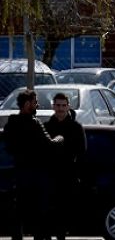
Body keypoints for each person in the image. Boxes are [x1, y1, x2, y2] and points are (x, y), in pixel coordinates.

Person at [4, 90, 64, 240]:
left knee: (19, 211)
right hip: (36, 174)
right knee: (40, 211)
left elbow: (8, 147)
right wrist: (59, 138)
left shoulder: (11, 123)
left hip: (19, 172)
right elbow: (50, 144)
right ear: (27, 104)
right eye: (34, 102)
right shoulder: (34, 123)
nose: (37, 105)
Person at [44, 92, 87, 240]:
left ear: (68, 106)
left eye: (63, 105)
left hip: (68, 177)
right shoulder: (46, 127)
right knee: (48, 213)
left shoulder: (76, 127)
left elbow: (81, 152)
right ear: (53, 106)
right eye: (58, 105)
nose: (60, 109)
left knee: (64, 214)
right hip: (49, 176)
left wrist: (77, 174)